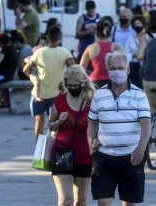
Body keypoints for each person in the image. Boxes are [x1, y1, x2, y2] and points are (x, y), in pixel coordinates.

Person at [87, 51, 151, 206]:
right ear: (108, 70)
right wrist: (92, 146)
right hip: (104, 156)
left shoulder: (139, 95)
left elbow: (146, 124)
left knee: (129, 203)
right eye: (113, 68)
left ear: (128, 69)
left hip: (131, 157)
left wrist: (141, 149)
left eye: (120, 68)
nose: (117, 72)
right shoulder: (99, 95)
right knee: (103, 201)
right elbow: (92, 123)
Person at [48, 64, 95, 206]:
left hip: (85, 154)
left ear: (83, 83)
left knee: (80, 201)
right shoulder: (60, 100)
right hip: (62, 152)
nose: (72, 89)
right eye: (69, 86)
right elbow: (50, 125)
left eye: (76, 85)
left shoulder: (92, 101)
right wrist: (58, 121)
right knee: (65, 200)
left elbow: (100, 126)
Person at [23, 26, 75, 141]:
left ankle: (39, 150)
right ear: (60, 38)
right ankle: (54, 147)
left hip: (39, 94)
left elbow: (26, 70)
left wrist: (33, 78)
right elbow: (75, 69)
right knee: (55, 123)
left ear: (47, 38)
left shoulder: (39, 52)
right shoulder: (65, 52)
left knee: (39, 122)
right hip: (56, 94)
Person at [80, 18, 123, 89]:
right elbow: (124, 68)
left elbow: (81, 69)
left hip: (94, 83)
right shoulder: (118, 47)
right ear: (110, 32)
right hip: (113, 82)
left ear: (97, 32)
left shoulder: (91, 48)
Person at [0, 33, 18, 108]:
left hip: (3, 75)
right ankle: (4, 102)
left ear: (1, 42)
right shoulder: (13, 49)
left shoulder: (5, 49)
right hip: (9, 75)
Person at [125, 15, 147, 88]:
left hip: (145, 65)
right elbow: (126, 53)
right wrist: (134, 55)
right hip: (134, 65)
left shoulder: (148, 36)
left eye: (139, 24)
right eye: (135, 24)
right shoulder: (130, 37)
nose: (137, 26)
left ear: (143, 25)